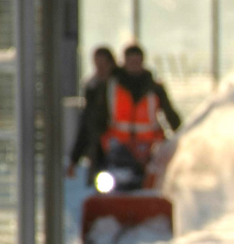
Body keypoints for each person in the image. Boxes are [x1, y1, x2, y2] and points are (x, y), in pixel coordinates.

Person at [98, 44, 181, 190]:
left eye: (137, 61)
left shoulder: (155, 88)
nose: (134, 65)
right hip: (120, 148)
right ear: (125, 62)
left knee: (154, 182)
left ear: (143, 62)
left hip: (150, 149)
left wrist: (181, 135)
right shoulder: (111, 87)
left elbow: (170, 115)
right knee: (114, 184)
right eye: (131, 61)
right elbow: (99, 118)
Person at [66, 46, 116, 184]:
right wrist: (74, 159)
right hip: (99, 151)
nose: (100, 69)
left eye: (103, 64)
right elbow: (86, 124)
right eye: (97, 65)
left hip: (120, 148)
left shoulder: (120, 87)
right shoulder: (92, 88)